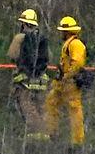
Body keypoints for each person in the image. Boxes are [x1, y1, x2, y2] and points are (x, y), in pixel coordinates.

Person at [45, 15, 89, 146]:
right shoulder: (68, 44)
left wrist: (67, 76)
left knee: (75, 110)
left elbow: (77, 63)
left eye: (63, 31)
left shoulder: (76, 44)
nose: (61, 33)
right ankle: (52, 133)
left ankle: (77, 141)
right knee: (51, 103)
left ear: (68, 31)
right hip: (62, 83)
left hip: (70, 83)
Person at [7, 8, 49, 137]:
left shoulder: (20, 37)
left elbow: (12, 55)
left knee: (27, 107)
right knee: (42, 108)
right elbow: (48, 58)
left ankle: (35, 134)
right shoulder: (42, 39)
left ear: (23, 24)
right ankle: (46, 133)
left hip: (24, 80)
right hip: (41, 81)